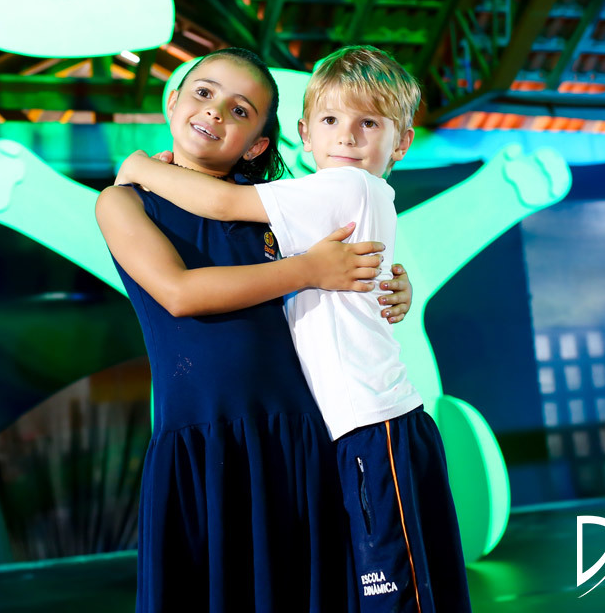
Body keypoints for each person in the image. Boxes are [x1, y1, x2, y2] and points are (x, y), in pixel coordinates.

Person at [116, 45, 471, 612]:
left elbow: (231, 209)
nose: (215, 111)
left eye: (240, 110)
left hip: (313, 429)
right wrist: (322, 272)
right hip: (219, 432)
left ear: (261, 142)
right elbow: (180, 293)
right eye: (204, 93)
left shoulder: (290, 204)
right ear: (174, 100)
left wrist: (140, 165)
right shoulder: (129, 203)